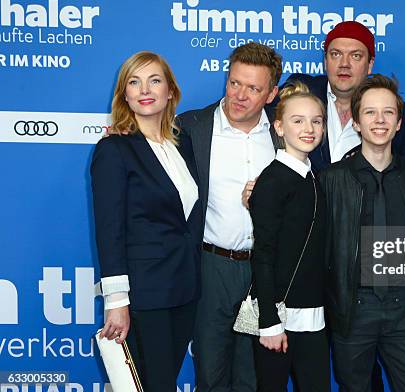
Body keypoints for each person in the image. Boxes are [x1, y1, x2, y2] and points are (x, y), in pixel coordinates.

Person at [91, 51, 203, 390]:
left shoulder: (181, 145)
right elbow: (109, 231)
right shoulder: (114, 149)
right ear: (124, 93)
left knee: (162, 382)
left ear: (170, 90)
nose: (145, 89)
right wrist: (116, 302)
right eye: (134, 82)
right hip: (144, 294)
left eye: (155, 80)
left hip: (185, 289)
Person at [177, 42, 282, 392]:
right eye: (234, 83)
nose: (240, 95)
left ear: (271, 94)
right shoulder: (190, 128)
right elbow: (150, 155)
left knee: (255, 376)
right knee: (211, 371)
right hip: (212, 266)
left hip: (266, 270)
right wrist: (124, 136)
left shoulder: (284, 133)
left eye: (253, 88)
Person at [319, 74, 405, 392]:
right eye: (369, 112)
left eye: (388, 113)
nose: (379, 120)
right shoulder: (331, 179)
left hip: (404, 308)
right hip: (353, 308)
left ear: (398, 124)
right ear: (356, 122)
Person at [248, 82, 330, 391]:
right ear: (279, 127)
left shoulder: (312, 178)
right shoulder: (272, 181)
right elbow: (264, 254)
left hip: (313, 318)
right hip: (279, 318)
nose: (308, 128)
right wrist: (269, 320)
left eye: (316, 120)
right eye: (298, 120)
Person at [279, 20, 405, 171]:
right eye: (336, 54)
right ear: (325, 61)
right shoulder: (299, 93)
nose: (344, 63)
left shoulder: (400, 115)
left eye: (356, 56)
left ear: (370, 64)